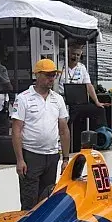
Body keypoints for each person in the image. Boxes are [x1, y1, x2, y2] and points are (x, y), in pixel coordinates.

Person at [11, 58, 70, 210]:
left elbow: (63, 130)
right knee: (29, 201)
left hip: (51, 156)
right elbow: (16, 130)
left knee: (47, 202)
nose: (52, 79)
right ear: (37, 75)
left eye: (54, 75)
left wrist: (65, 158)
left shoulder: (58, 99)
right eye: (48, 75)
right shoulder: (23, 98)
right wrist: (19, 160)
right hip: (31, 155)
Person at [55, 42, 106, 109]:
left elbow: (88, 85)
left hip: (77, 102)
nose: (75, 57)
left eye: (78, 55)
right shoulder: (59, 65)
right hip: (61, 100)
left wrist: (97, 101)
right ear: (67, 54)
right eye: (73, 54)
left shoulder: (82, 67)